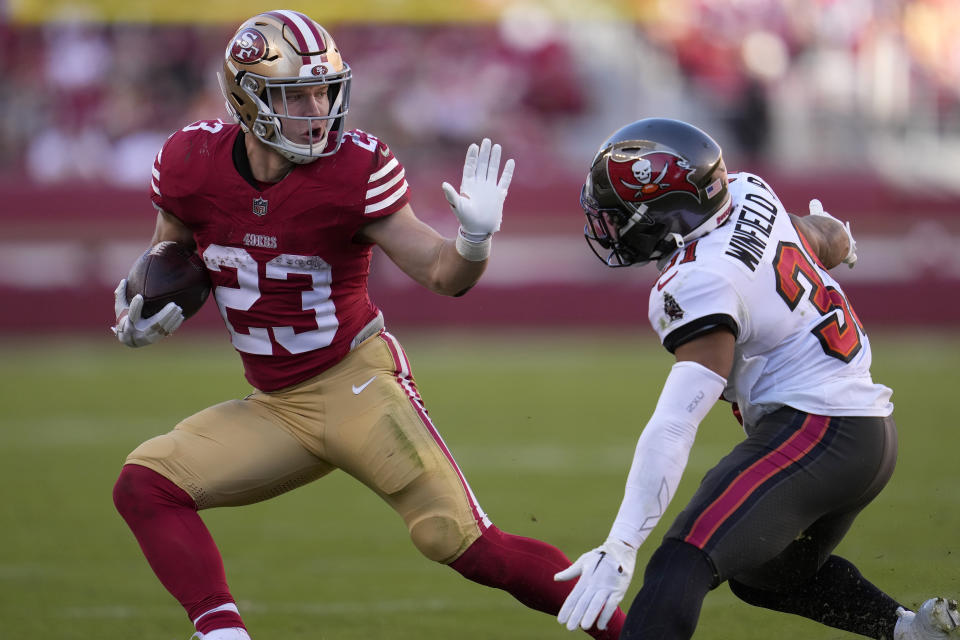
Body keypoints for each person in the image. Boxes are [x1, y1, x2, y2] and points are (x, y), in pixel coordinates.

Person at [109, 10, 625, 640]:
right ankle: (222, 634)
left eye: (324, 90)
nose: (316, 107)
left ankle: (635, 630)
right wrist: (142, 311)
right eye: (296, 94)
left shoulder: (353, 169)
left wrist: (474, 239)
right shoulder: (191, 161)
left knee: (460, 543)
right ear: (248, 99)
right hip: (274, 405)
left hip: (358, 385)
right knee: (144, 485)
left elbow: (444, 275)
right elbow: (170, 258)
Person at [552, 117, 960, 640]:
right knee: (762, 572)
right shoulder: (748, 193)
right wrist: (842, 242)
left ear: (666, 212)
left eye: (618, 215)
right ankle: (914, 632)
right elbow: (824, 237)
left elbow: (676, 423)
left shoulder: (697, 280)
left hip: (820, 430)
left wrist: (622, 542)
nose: (607, 227)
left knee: (682, 558)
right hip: (869, 434)